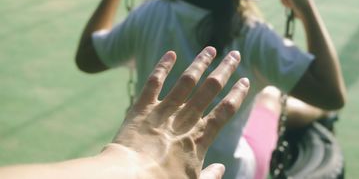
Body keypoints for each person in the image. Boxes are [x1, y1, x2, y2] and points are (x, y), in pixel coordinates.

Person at [75, 0, 346, 178]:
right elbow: (332, 95)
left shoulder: (150, 15)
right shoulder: (253, 34)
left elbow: (87, 57)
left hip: (156, 170)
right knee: (271, 96)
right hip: (232, 173)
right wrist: (306, 10)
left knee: (263, 95)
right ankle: (315, 113)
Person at [0, 47, 250, 179]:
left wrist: (130, 161)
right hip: (239, 164)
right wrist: (144, 168)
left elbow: (87, 57)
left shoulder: (152, 11)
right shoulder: (260, 36)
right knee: (270, 101)